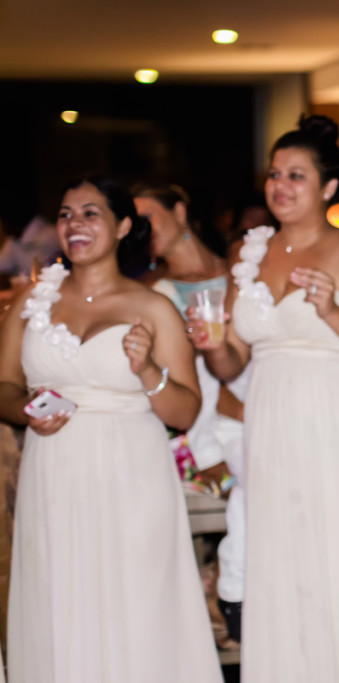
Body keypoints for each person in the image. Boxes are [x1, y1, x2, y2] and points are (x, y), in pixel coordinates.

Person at [191, 114, 339, 682]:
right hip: (270, 421)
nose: (280, 186)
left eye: (296, 175)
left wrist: (332, 312)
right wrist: (212, 344)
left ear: (329, 188)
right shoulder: (249, 256)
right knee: (283, 560)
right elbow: (233, 361)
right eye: (274, 175)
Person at [0, 176, 221, 683]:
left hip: (131, 473)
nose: (74, 223)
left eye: (90, 213)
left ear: (123, 226)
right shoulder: (32, 305)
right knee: (60, 597)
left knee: (136, 602)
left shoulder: (153, 308)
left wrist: (148, 372)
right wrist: (26, 409)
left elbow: (185, 412)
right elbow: (4, 386)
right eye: (65, 214)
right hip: (53, 473)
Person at [133, 182, 249, 648]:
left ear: (179, 210)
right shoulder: (154, 293)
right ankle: (227, 590)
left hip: (254, 415)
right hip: (194, 441)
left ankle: (224, 580)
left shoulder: (243, 269)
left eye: (150, 220)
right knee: (248, 487)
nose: (143, 232)